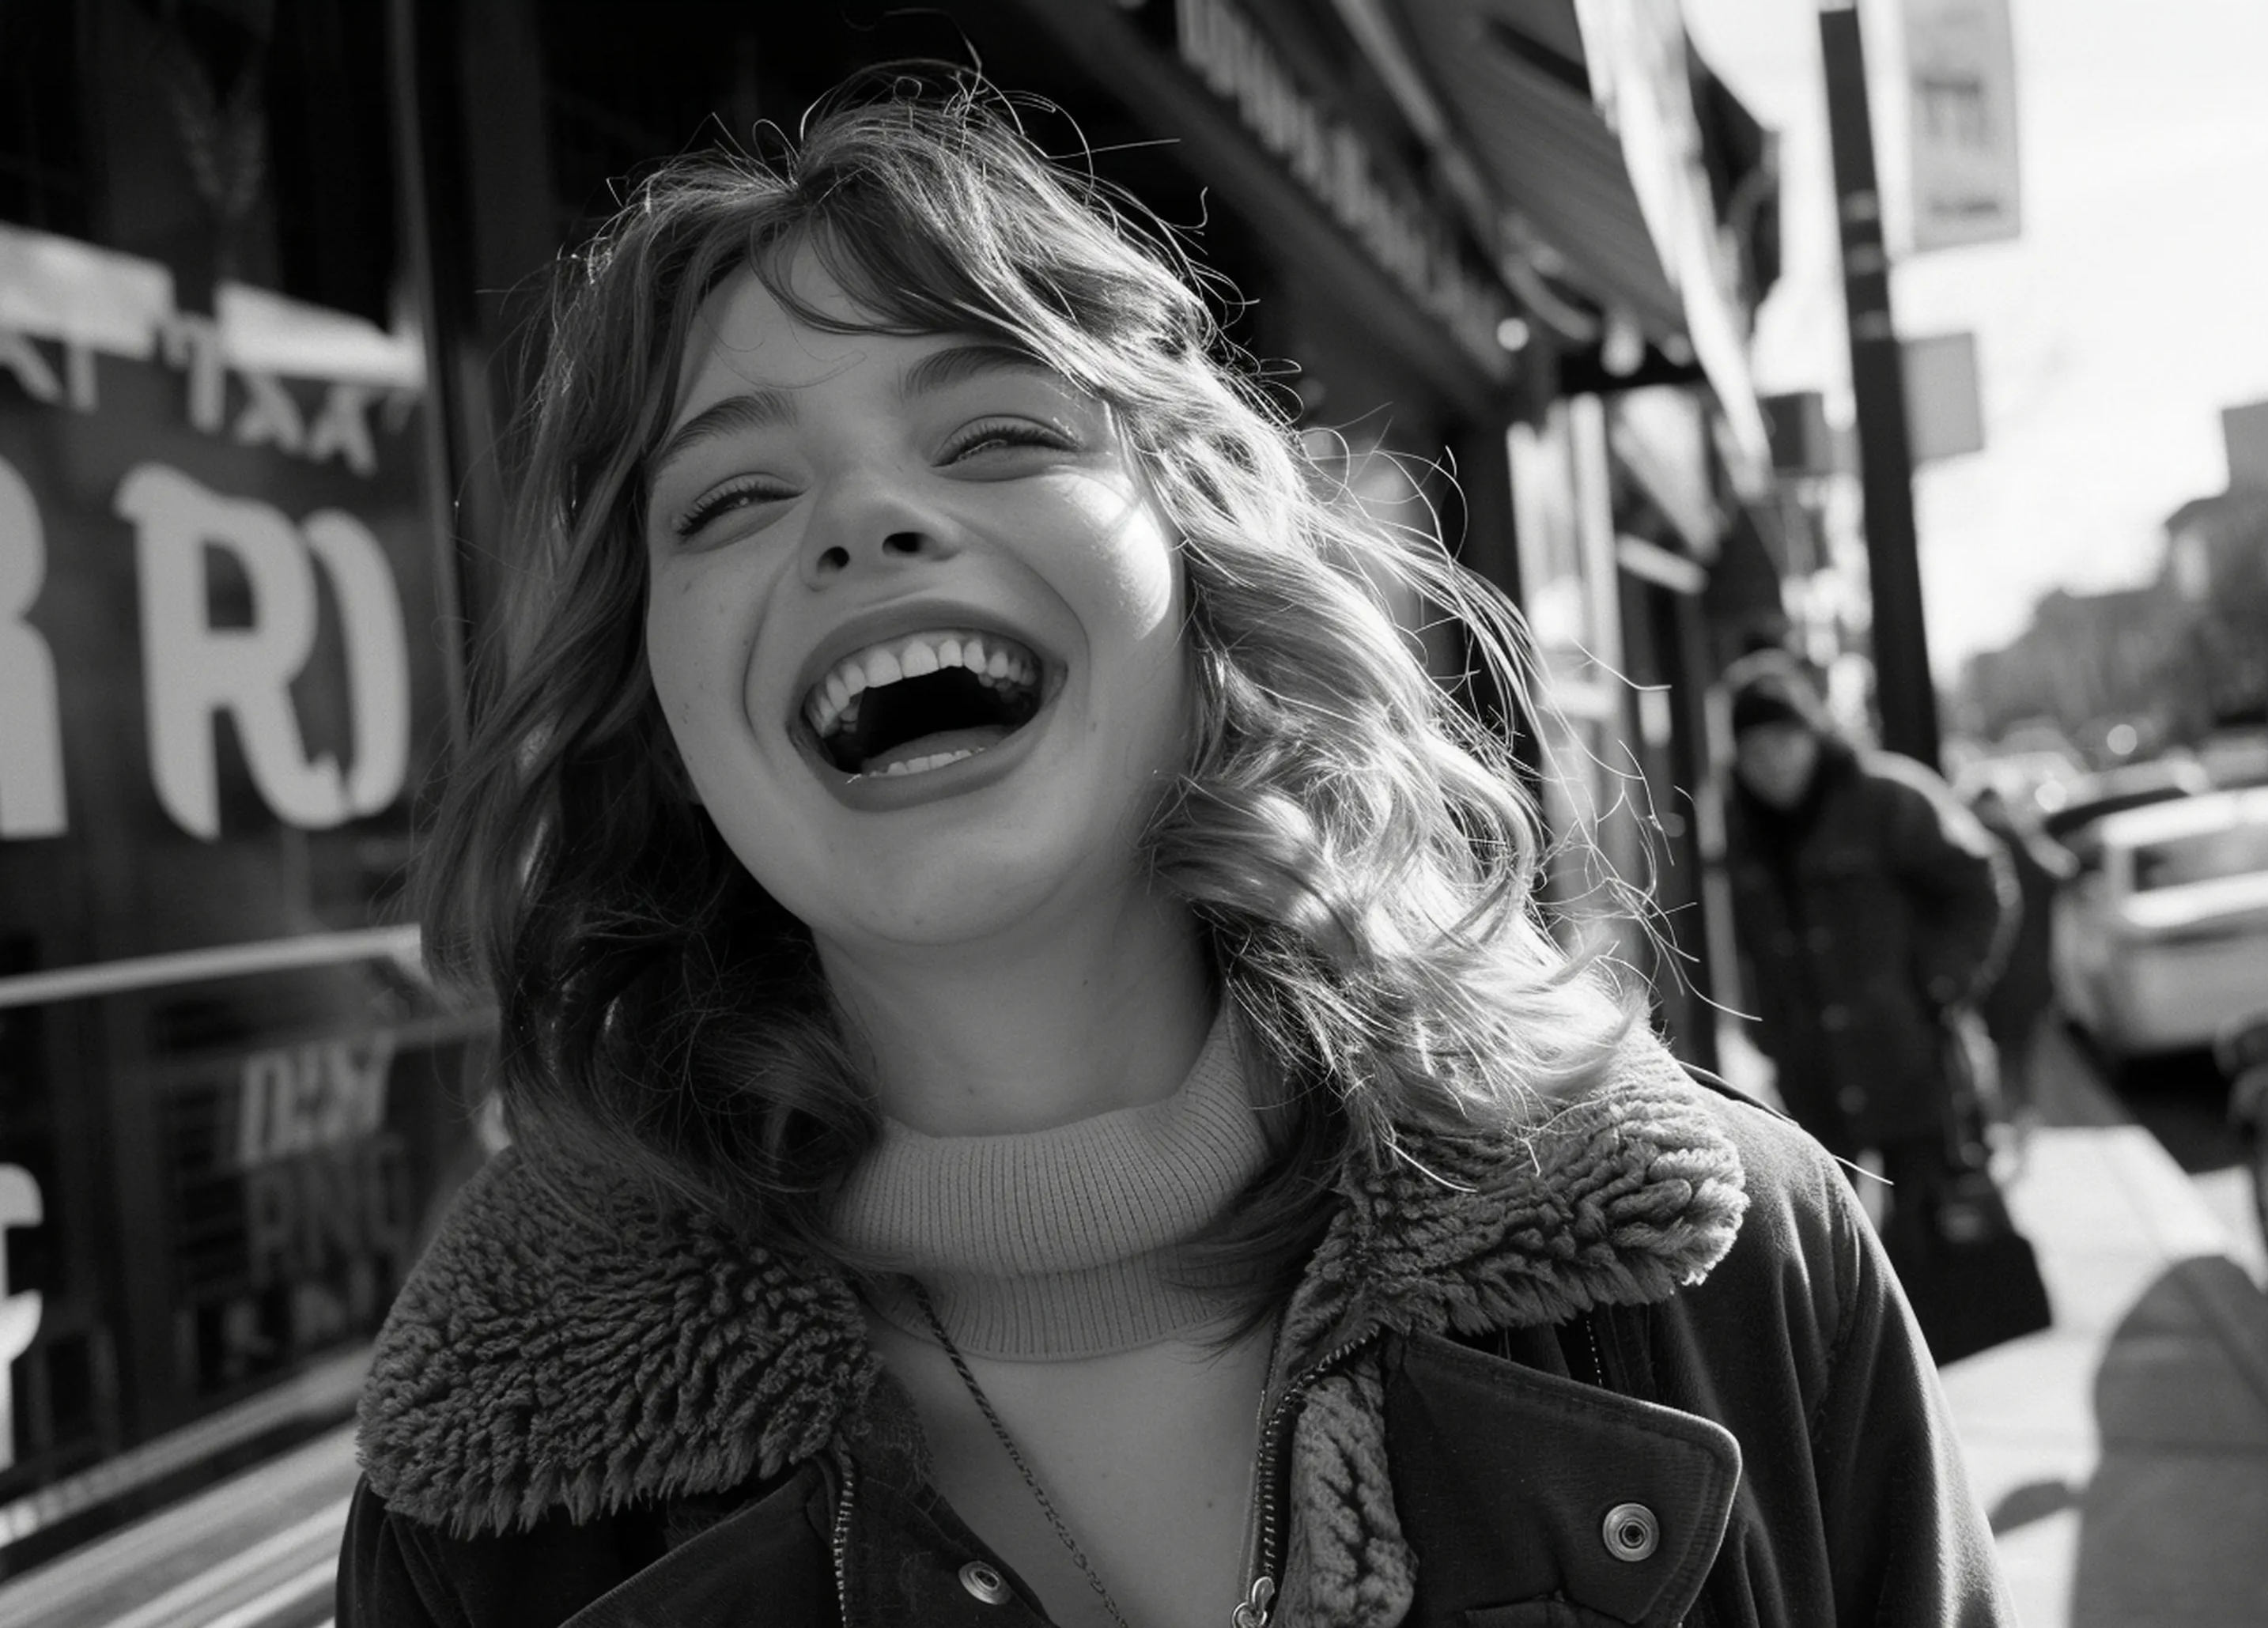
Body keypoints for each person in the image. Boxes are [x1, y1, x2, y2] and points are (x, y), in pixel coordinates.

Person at [335, 74, 2010, 1628]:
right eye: (731, 500)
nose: (861, 518)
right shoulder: (476, 1518)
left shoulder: (1743, 1275)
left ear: (1201, 570)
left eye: (997, 432)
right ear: (657, 715)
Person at [1722, 652, 2016, 1222]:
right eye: (1753, 751)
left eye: (1783, 741)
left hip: (1914, 1064)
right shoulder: (1742, 828)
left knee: (1933, 1242)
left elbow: (1980, 884)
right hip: (1812, 1083)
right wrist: (1766, 1030)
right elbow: (1744, 943)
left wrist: (1940, 982)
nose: (1771, 763)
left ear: (1813, 735)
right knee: (1834, 1249)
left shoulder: (1887, 797)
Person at [1966, 782, 2071, 1128]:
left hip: (1990, 968)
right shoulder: (2012, 840)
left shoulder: (1974, 840)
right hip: (2023, 966)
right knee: (2019, 1050)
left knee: (1999, 1048)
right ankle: (2017, 1114)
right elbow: (2059, 871)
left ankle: (2006, 1115)